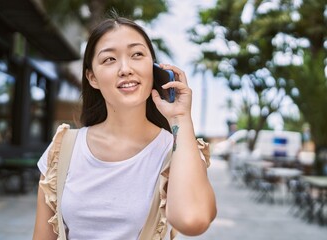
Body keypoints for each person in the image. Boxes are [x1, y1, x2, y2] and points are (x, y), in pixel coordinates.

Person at [33, 14, 216, 240]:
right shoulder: (64, 149)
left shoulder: (177, 151)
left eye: (137, 54)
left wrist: (180, 119)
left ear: (154, 68)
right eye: (109, 59)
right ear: (92, 78)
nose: (125, 68)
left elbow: (192, 220)